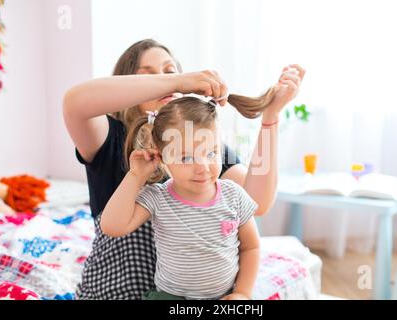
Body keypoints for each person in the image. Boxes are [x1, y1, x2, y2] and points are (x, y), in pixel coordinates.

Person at [63, 39, 305, 299]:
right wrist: (176, 81)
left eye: (170, 70)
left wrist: (270, 119)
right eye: (148, 75)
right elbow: (74, 103)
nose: (165, 79)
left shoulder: (202, 147)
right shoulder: (110, 136)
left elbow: (257, 202)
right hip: (117, 288)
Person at [100, 96, 267, 300]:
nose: (203, 167)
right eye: (186, 158)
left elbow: (252, 247)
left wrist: (242, 292)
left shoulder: (234, 195)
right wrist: (136, 175)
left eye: (211, 153)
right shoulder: (158, 197)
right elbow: (112, 226)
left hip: (226, 296)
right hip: (170, 298)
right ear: (162, 157)